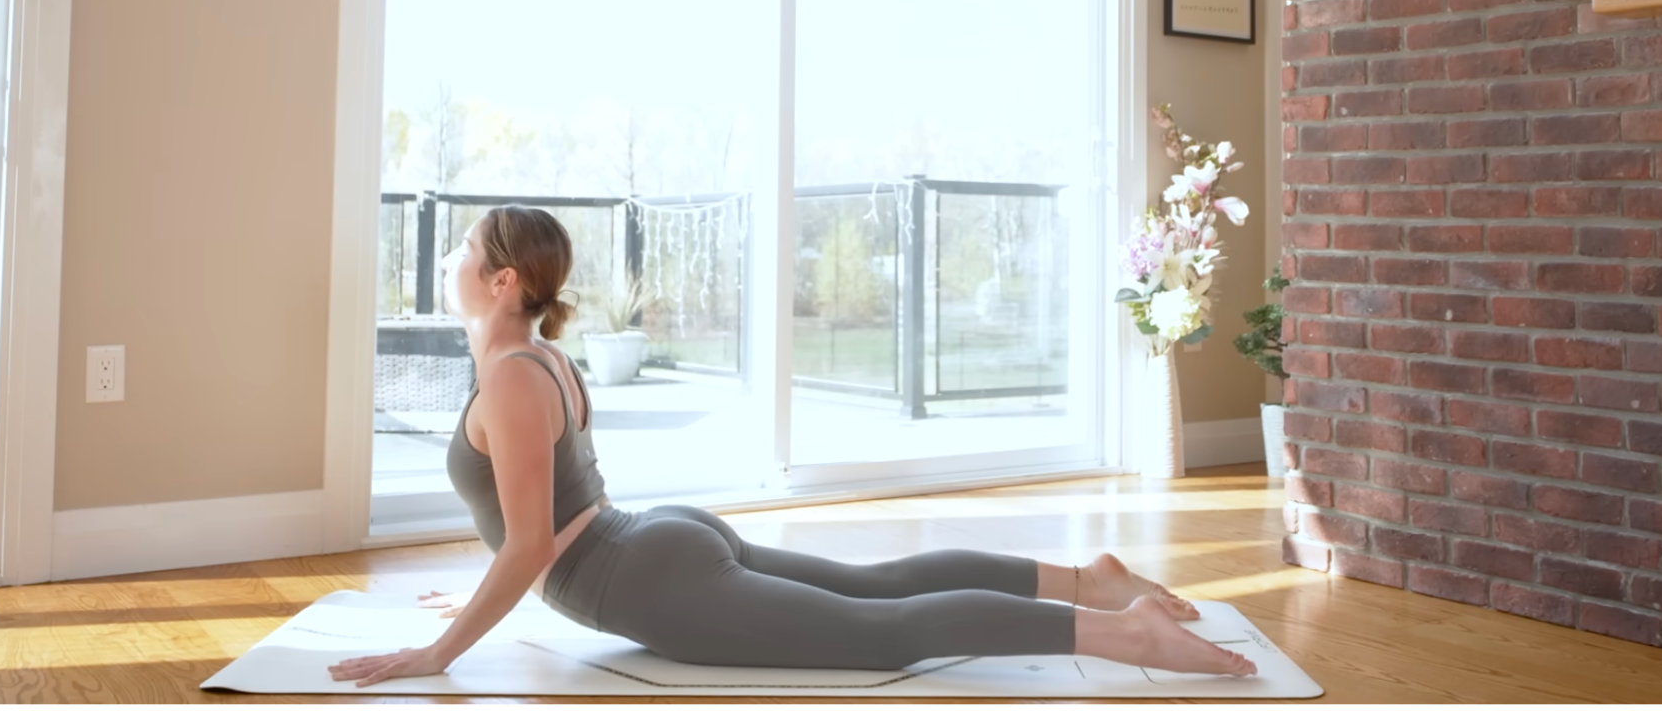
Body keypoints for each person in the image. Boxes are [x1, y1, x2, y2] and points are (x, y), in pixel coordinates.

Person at [330, 206, 1256, 687]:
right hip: (652, 543)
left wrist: (439, 652)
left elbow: (536, 539)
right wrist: (497, 582)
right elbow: (535, 523)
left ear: (497, 282)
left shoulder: (509, 378)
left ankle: (1121, 630)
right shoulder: (539, 360)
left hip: (643, 575)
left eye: (458, 248)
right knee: (879, 588)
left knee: (884, 634)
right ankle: (1085, 577)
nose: (445, 258)